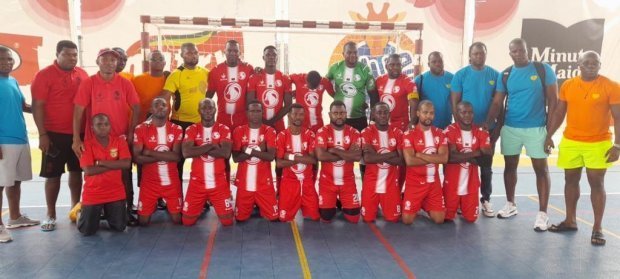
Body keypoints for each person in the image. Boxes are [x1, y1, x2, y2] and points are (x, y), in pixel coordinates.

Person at [546, 51, 620, 245]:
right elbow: (560, 111)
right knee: (570, 180)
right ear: (578, 64)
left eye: (595, 62)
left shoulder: (611, 86)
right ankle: (570, 220)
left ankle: (597, 228)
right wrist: (548, 135)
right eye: (586, 62)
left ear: (600, 65)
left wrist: (618, 146)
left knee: (596, 183)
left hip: (599, 142)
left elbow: (618, 117)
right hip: (571, 141)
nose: (591, 65)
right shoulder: (568, 85)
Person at [485, 38, 557, 231]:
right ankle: (510, 204)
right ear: (510, 54)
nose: (519, 54)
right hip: (511, 128)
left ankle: (543, 214)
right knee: (510, 167)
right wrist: (487, 126)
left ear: (528, 50)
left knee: (541, 170)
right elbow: (497, 103)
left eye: (522, 50)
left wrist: (550, 134)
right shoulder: (506, 74)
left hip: (536, 129)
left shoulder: (543, 70)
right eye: (515, 51)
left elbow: (554, 101)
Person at [73, 48, 141, 226]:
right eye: (106, 59)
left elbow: (136, 107)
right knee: (95, 175)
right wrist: (76, 139)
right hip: (94, 139)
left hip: (119, 139)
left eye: (113, 60)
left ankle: (126, 210)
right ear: (98, 61)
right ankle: (97, 209)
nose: (110, 63)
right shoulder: (89, 83)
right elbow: (78, 110)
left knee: (124, 174)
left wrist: (131, 131)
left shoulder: (125, 83)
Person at [31, 40, 88, 231]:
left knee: (76, 172)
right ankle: (50, 214)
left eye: (75, 54)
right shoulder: (44, 75)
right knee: (53, 175)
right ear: (57, 54)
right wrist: (42, 134)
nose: (72, 58)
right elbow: (37, 106)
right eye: (67, 54)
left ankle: (75, 209)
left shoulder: (82, 74)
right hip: (54, 134)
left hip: (79, 134)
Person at [451, 42, 499, 217]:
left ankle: (485, 199)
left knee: (486, 165)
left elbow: (498, 102)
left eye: (482, 53)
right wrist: (460, 128)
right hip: (465, 129)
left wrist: (493, 125)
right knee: (460, 163)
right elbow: (455, 103)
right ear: (470, 56)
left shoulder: (495, 75)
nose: (479, 56)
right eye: (476, 54)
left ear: (486, 54)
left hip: (486, 129)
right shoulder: (461, 75)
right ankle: (457, 198)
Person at [0, 46, 39, 243]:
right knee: (0, 183)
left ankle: (14, 217)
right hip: (3, 141)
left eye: (9, 59)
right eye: (3, 59)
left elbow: (23, 106)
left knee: (15, 180)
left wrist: (45, 108)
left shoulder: (13, 81)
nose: (8, 62)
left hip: (20, 138)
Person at [181, 99, 234, 226]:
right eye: (204, 108)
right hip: (197, 183)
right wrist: (212, 145)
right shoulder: (192, 129)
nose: (207, 111)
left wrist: (198, 149)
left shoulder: (223, 128)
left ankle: (209, 204)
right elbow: (187, 153)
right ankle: (200, 205)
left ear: (215, 109)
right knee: (187, 221)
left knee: (227, 221)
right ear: (199, 111)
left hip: (219, 183)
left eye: (210, 107)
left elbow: (225, 153)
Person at [161, 43, 209, 182]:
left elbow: (210, 93)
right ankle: (177, 197)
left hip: (200, 123)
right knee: (178, 162)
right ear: (181, 55)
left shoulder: (205, 72)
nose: (193, 56)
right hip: (180, 123)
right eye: (188, 53)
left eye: (195, 53)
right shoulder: (176, 75)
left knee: (203, 160)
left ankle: (203, 196)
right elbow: (164, 98)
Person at [78, 113, 131, 236]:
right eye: (99, 124)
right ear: (92, 128)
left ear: (110, 126)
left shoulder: (119, 142)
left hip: (115, 192)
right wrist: (115, 164)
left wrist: (100, 163)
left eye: (106, 124)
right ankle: (81, 212)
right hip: (94, 193)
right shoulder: (86, 145)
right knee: (86, 231)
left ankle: (106, 212)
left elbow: (126, 164)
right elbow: (89, 171)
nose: (103, 127)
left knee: (120, 227)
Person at [132, 98, 183, 225]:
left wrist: (149, 153)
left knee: (178, 220)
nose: (160, 107)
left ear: (169, 108)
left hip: (171, 183)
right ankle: (151, 205)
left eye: (164, 105)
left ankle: (161, 205)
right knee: (143, 222)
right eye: (156, 105)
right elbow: (137, 158)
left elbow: (177, 157)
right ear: (151, 109)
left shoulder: (177, 129)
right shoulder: (140, 129)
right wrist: (166, 156)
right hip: (149, 184)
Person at [400, 100, 448, 225]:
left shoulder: (440, 133)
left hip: (434, 183)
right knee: (407, 220)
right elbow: (410, 161)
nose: (428, 116)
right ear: (418, 113)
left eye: (431, 113)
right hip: (415, 183)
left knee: (439, 220)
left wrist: (420, 154)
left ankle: (423, 203)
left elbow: (443, 159)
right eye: (425, 112)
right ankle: (411, 199)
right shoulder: (409, 134)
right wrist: (434, 157)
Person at [443, 102, 492, 222]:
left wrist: (461, 155)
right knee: (446, 217)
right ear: (457, 114)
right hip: (452, 183)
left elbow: (486, 160)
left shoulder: (481, 132)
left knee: (471, 219)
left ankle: (463, 204)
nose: (467, 115)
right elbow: (450, 158)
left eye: (470, 112)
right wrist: (476, 153)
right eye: (463, 112)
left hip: (471, 184)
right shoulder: (449, 131)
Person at [315, 101, 362, 223]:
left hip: (348, 182)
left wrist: (334, 150)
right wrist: (347, 154)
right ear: (330, 115)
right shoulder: (322, 131)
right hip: (327, 182)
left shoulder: (354, 132)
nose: (339, 116)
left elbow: (357, 157)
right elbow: (321, 156)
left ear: (346, 114)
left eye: (342, 113)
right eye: (335, 113)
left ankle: (341, 201)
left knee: (354, 218)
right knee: (326, 217)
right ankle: (334, 201)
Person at [232, 100, 278, 222]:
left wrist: (248, 150)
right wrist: (260, 149)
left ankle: (259, 205)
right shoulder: (238, 131)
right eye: (252, 111)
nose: (255, 114)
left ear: (262, 112)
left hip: (264, 185)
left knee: (274, 218)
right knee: (240, 219)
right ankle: (254, 205)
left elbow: (270, 157)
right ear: (247, 113)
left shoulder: (269, 130)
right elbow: (236, 158)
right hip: (244, 185)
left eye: (258, 111)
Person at [360, 102, 404, 223]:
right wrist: (392, 153)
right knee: (367, 219)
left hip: (390, 185)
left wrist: (376, 154)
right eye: (379, 112)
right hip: (371, 184)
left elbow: (401, 161)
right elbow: (368, 159)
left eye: (385, 113)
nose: (383, 115)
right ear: (373, 115)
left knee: (393, 219)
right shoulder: (366, 132)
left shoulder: (398, 132)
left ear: (389, 115)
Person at [275, 103, 319, 222]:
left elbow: (313, 160)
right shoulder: (281, 136)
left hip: (307, 184)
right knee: (283, 219)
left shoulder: (310, 134)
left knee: (314, 218)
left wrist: (289, 156)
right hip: (289, 184)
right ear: (289, 116)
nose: (298, 117)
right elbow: (279, 164)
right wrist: (301, 157)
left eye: (301, 114)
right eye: (295, 114)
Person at [206, 39, 255, 131]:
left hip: (243, 118)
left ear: (239, 53)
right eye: (229, 50)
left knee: (241, 144)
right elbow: (209, 95)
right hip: (223, 117)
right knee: (223, 144)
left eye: (235, 51)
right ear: (224, 51)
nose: (232, 53)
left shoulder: (248, 69)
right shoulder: (215, 71)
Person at [248, 45, 293, 133]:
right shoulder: (254, 77)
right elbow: (249, 103)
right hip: (258, 123)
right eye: (268, 55)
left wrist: (272, 121)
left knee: (278, 146)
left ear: (277, 58)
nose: (271, 57)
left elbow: (288, 105)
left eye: (274, 55)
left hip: (278, 124)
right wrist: (262, 121)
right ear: (263, 57)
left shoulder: (285, 78)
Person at [375, 54, 419, 131]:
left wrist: (412, 123)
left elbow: (414, 104)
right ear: (386, 66)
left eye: (398, 65)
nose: (396, 67)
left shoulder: (408, 82)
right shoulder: (379, 80)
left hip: (401, 125)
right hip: (382, 125)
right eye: (392, 65)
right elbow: (374, 101)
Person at [415, 51, 454, 130]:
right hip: (426, 127)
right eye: (434, 62)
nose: (437, 64)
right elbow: (415, 104)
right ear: (428, 64)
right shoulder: (420, 80)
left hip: (446, 127)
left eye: (440, 61)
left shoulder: (453, 78)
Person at [133, 50, 168, 123]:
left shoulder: (169, 79)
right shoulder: (137, 79)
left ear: (165, 62)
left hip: (163, 123)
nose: (157, 61)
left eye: (160, 59)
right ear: (148, 62)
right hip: (142, 123)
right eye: (153, 59)